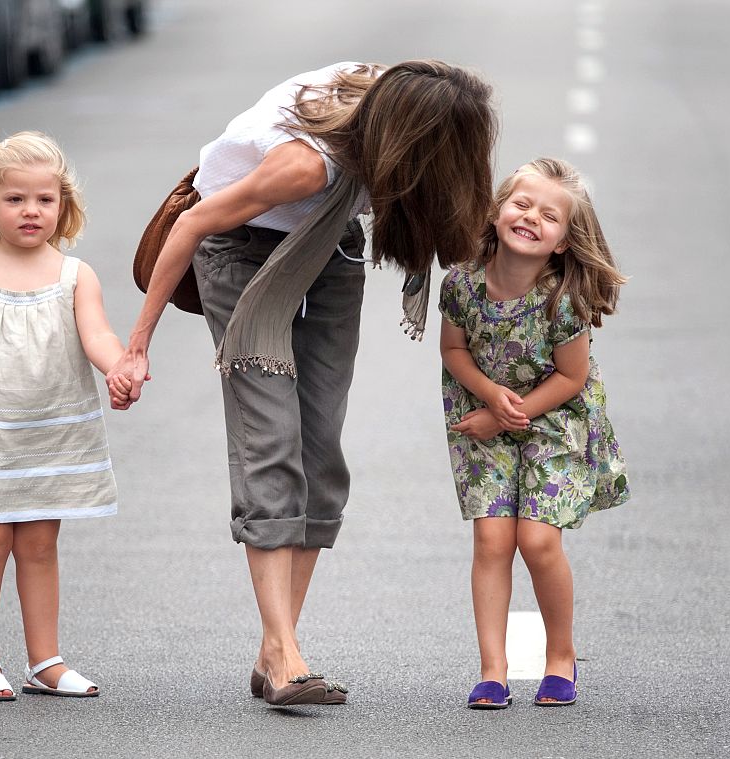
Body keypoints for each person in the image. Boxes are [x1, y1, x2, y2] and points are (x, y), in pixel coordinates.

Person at [108, 60, 497, 706]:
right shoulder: (304, 165)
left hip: (329, 246)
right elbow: (192, 223)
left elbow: (471, 220)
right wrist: (137, 345)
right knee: (271, 439)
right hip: (238, 251)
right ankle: (286, 650)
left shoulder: (392, 113)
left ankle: (273, 647)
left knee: (320, 450)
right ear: (413, 145)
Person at [0, 131, 131, 701]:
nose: (31, 211)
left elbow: (98, 334)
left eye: (45, 199)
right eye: (16, 200)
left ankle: (45, 660)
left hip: (53, 437)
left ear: (63, 204)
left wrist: (118, 367)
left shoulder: (76, 275)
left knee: (38, 546)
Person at [438, 157, 630, 709]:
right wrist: (488, 397)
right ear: (497, 211)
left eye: (549, 216)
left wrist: (502, 412)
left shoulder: (562, 299)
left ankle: (561, 656)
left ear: (564, 242)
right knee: (492, 540)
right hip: (482, 415)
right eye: (521, 204)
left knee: (538, 540)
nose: (530, 218)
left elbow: (572, 377)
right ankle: (492, 670)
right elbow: (453, 349)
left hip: (555, 419)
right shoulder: (462, 285)